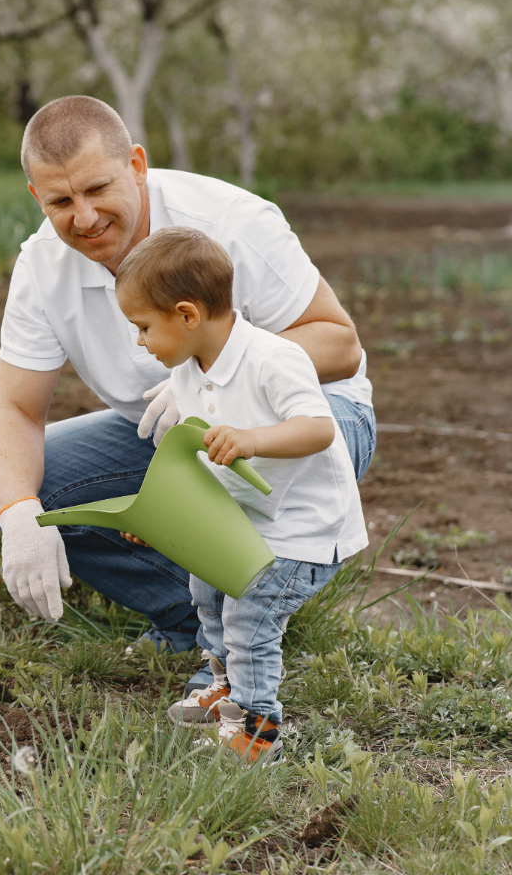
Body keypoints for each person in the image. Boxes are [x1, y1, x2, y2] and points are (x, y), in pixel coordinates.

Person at [0, 95, 374, 690]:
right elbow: (15, 409)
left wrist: (212, 379)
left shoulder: (229, 224)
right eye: (60, 201)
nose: (83, 217)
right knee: (3, 486)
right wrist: (19, 516)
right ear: (37, 197)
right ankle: (192, 615)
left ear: (136, 164)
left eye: (97, 189)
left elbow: (339, 343)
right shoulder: (42, 267)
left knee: (229, 481)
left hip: (307, 418)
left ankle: (244, 643)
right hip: (168, 436)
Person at [114, 227, 367, 762]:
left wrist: (253, 440)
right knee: (206, 587)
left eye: (142, 327)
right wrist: (158, 515)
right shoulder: (189, 370)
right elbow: (187, 455)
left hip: (304, 529)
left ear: (187, 315)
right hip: (247, 518)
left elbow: (319, 428)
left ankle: (257, 727)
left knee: (250, 615)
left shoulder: (274, 359)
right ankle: (226, 685)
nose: (138, 341)